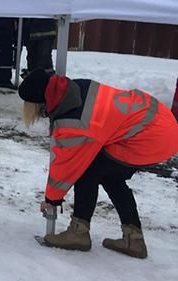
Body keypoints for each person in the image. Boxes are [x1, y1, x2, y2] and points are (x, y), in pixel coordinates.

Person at [18, 69, 178, 258]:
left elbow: (66, 165)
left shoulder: (74, 120)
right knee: (111, 177)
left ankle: (79, 233)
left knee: (88, 170)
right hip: (159, 122)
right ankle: (133, 239)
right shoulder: (76, 89)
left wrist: (51, 199)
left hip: (148, 136)